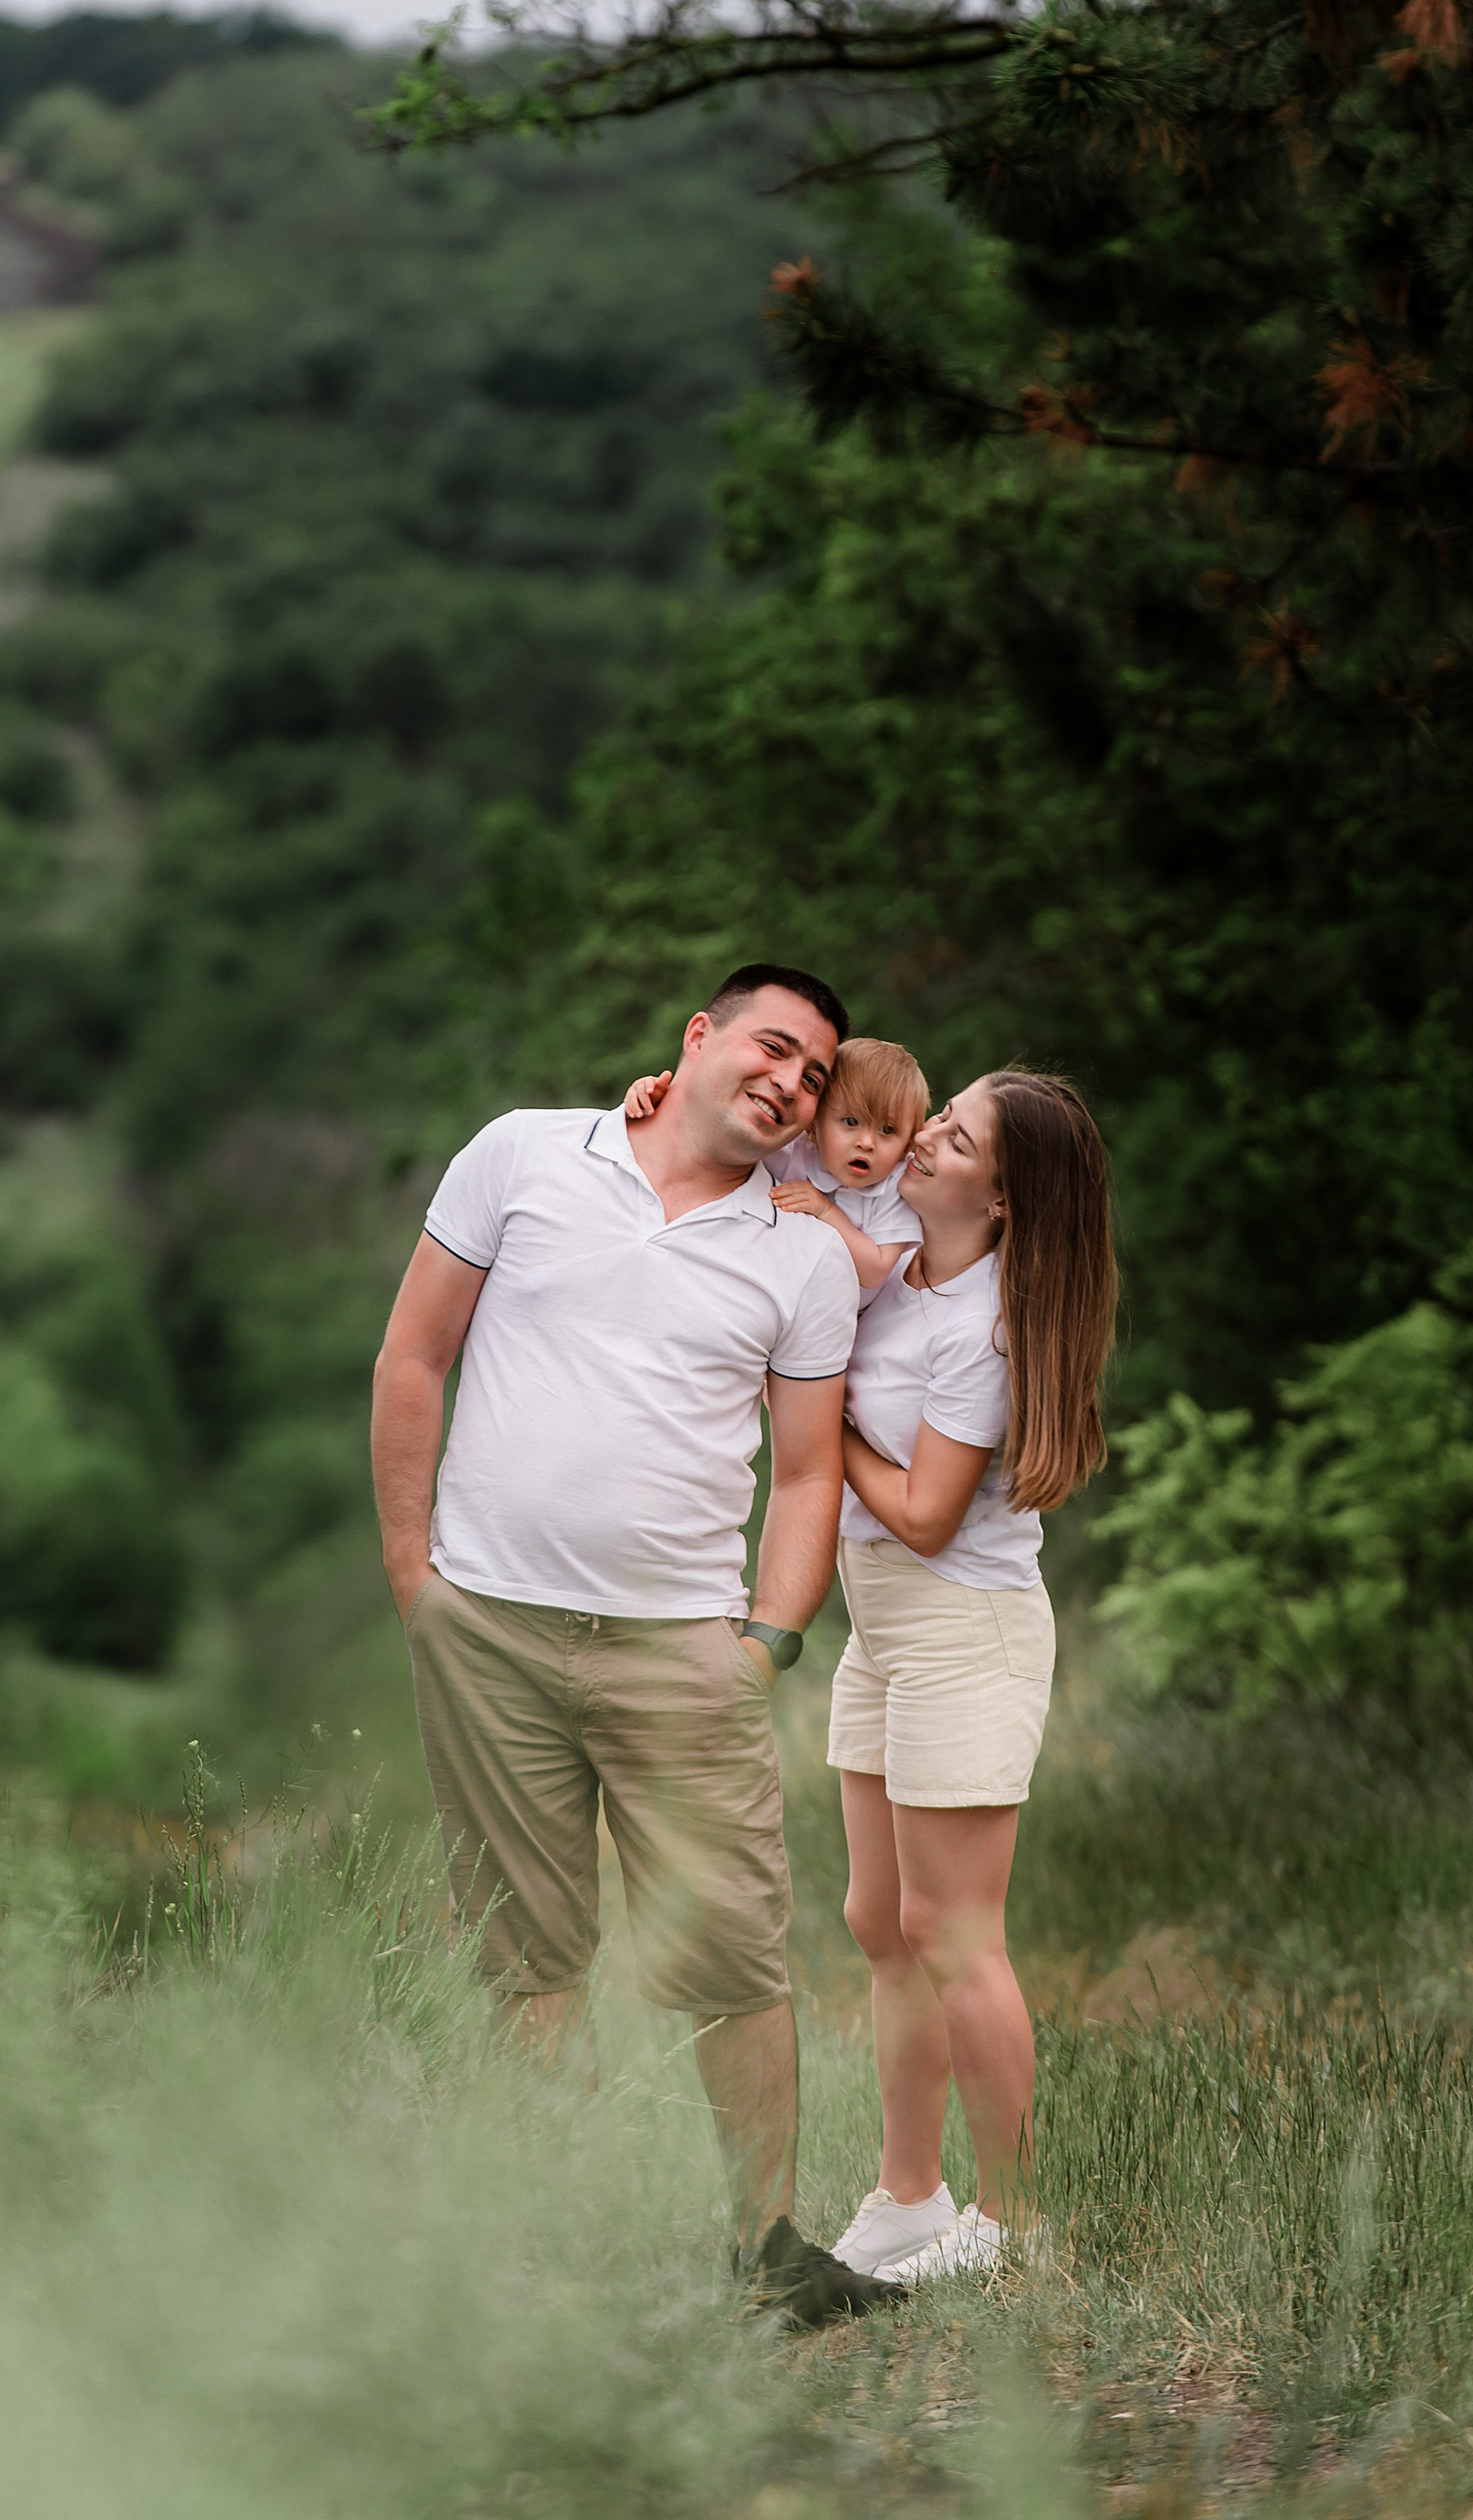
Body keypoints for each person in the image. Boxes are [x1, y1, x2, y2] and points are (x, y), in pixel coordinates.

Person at [369, 963, 901, 2329]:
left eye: (812, 1075)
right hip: (486, 1629)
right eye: (773, 1048)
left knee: (731, 1948)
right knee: (525, 1951)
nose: (789, 1082)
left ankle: (769, 2245)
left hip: (683, 1650)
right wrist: (415, 1577)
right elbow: (414, 1355)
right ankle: (538, 2246)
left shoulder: (801, 1250)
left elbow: (802, 1476)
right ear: (700, 1036)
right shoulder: (524, 1152)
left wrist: (770, 1638)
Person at [822, 1069, 1117, 2285]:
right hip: (882, 1629)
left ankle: (1013, 2223)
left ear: (1002, 1198)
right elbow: (785, 1171)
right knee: (881, 1924)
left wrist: (813, 1425)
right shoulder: (897, 1248)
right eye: (938, 1118)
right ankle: (907, 2196)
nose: (927, 1135)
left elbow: (928, 1515)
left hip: (962, 1626)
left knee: (955, 1933)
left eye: (958, 1136)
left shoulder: (985, 1329)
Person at [625, 1034, 932, 1295]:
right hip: (760, 1284)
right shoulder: (791, 1149)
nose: (867, 1142)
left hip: (842, 1319)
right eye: (850, 1122)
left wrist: (825, 1211)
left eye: (887, 1131)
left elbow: (876, 1271)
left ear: (908, 1144)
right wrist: (659, 1095)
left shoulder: (895, 1186)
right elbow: (714, 1134)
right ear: (814, 1123)